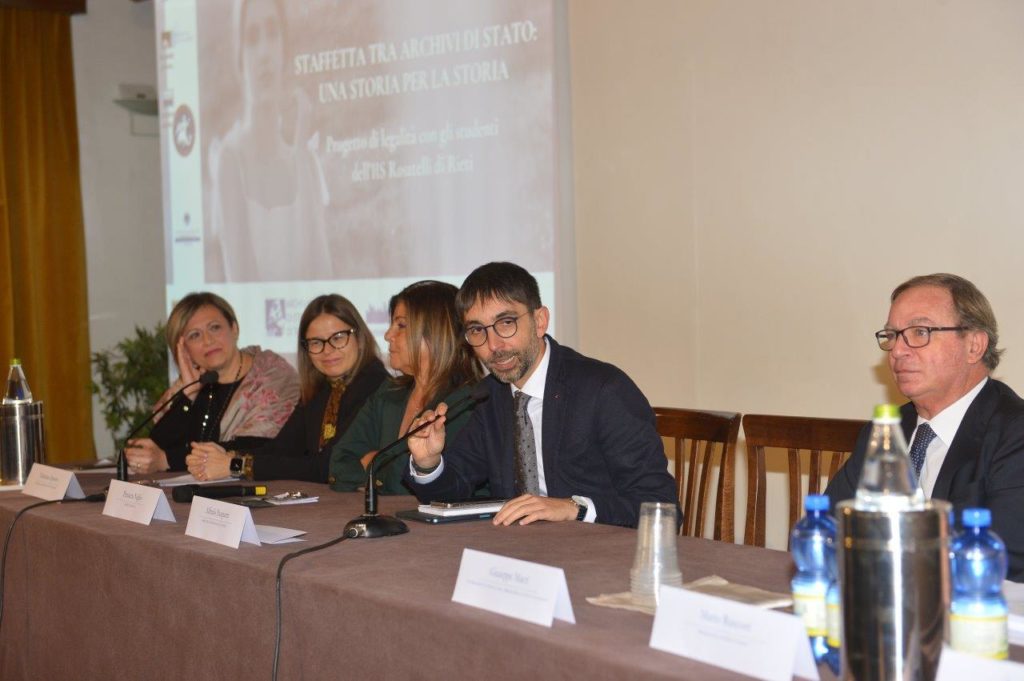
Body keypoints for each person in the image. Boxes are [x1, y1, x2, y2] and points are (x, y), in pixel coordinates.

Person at [405, 262, 678, 528]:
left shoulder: (604, 390)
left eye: (506, 323)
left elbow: (662, 506)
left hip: (599, 548)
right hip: (519, 549)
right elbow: (453, 492)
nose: (494, 345)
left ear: (539, 321)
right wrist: (428, 464)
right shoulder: (490, 396)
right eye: (477, 330)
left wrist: (574, 508)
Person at [826, 273, 1024, 581]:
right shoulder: (887, 430)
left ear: (974, 345)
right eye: (892, 335)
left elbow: (1004, 555)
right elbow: (828, 527)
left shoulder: (1015, 432)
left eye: (920, 332)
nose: (897, 350)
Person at [185, 294, 389, 483]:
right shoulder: (321, 389)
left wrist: (235, 465)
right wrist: (223, 456)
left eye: (337, 338)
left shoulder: (374, 386)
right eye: (316, 342)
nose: (327, 350)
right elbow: (282, 448)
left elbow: (328, 466)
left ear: (359, 338)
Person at [206, 0, 332, 282]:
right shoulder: (230, 159)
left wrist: (301, 156)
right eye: (252, 38)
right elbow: (242, 285)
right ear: (239, 57)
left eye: (273, 34)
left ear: (284, 48)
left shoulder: (305, 159)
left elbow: (325, 278)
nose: (264, 52)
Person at [329, 281, 483, 494]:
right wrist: (385, 471)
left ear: (436, 332)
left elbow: (404, 484)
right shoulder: (388, 392)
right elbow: (338, 466)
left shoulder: (467, 402)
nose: (387, 335)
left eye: (401, 325)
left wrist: (373, 464)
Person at [125, 292, 298, 475]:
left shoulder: (273, 375)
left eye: (215, 328)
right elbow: (157, 445)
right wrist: (189, 393)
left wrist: (167, 460)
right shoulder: (194, 383)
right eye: (195, 335)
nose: (208, 340)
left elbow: (254, 448)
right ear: (183, 349)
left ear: (234, 329)